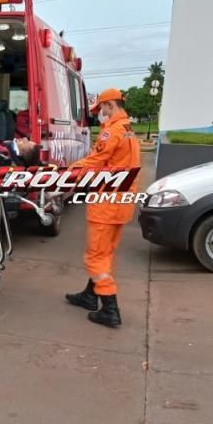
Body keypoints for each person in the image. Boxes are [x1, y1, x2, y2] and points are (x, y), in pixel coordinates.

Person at [65, 88, 141, 328]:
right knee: (105, 252)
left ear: (110, 105)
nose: (101, 114)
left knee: (96, 256)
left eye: (102, 108)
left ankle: (110, 309)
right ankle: (90, 295)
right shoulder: (129, 130)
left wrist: (69, 172)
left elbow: (95, 161)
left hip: (107, 200)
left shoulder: (113, 131)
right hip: (123, 199)